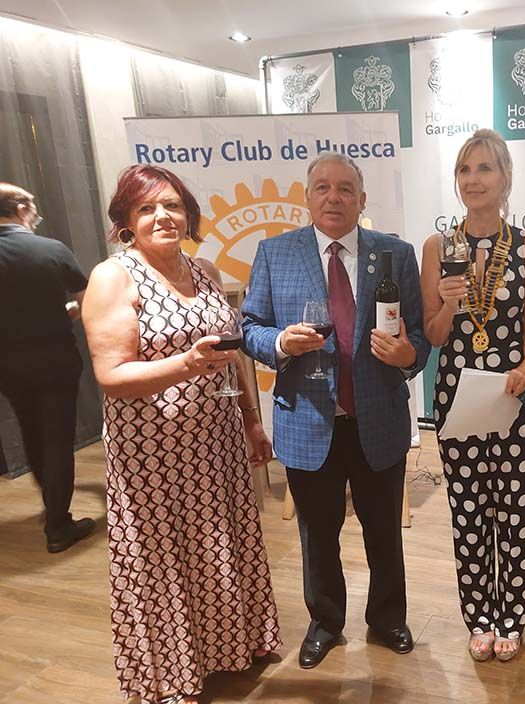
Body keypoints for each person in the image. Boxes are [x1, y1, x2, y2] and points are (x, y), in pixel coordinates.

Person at [82, 165, 281, 704]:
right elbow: (112, 377)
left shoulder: (206, 269)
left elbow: (229, 350)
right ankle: (172, 676)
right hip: (153, 453)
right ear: (126, 220)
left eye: (170, 205)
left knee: (220, 544)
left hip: (215, 441)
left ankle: (233, 645)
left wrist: (251, 418)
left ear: (188, 213)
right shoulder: (113, 277)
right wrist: (187, 365)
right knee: (163, 560)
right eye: (146, 208)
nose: (162, 216)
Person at [242, 152, 430, 670]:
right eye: (322, 187)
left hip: (379, 419)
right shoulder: (275, 253)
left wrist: (410, 356)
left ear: (362, 201)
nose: (333, 197)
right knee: (317, 534)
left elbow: (418, 334)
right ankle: (326, 622)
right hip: (307, 420)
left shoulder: (395, 253)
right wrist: (280, 340)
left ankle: (388, 618)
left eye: (345, 189)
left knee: (383, 531)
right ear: (307, 197)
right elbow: (250, 326)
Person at [420, 129, 525, 662]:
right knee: (469, 511)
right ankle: (478, 617)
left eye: (485, 169)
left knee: (515, 513)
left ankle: (511, 619)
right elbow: (431, 334)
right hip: (457, 398)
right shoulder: (437, 246)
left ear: (506, 178)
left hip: (514, 397)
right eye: (465, 170)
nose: (474, 180)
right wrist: (448, 305)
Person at [0, 183, 94, 553]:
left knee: (31, 430)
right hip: (54, 358)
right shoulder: (50, 249)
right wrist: (69, 313)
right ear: (21, 209)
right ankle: (58, 524)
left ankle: (50, 505)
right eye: (34, 207)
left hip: (6, 363)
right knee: (57, 437)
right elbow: (88, 300)